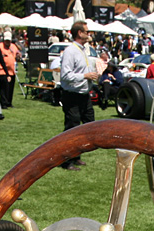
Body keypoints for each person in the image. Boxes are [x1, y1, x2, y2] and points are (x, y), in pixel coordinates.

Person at [58, 20, 98, 171]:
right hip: (72, 96)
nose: (89, 34)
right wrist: (85, 76)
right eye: (87, 32)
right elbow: (65, 75)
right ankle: (66, 160)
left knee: (89, 125)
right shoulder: (70, 51)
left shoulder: (83, 50)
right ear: (79, 33)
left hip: (84, 94)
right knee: (72, 128)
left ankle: (76, 156)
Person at [0, 31, 20, 108]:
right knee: (4, 87)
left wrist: (18, 56)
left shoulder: (13, 46)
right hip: (3, 70)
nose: (7, 42)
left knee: (11, 87)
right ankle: (3, 103)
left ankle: (9, 102)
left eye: (9, 40)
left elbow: (17, 54)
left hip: (12, 70)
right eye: (6, 40)